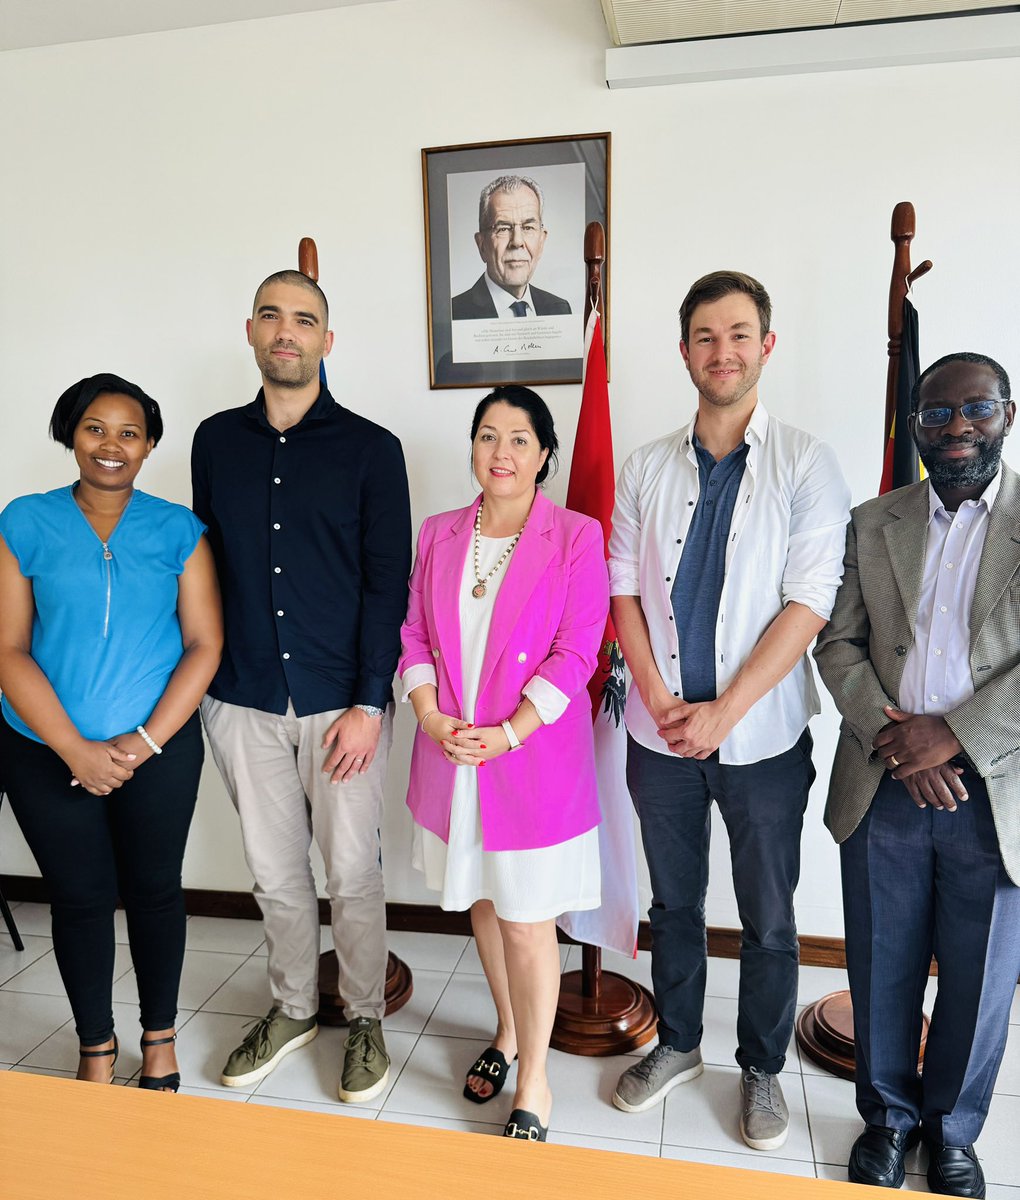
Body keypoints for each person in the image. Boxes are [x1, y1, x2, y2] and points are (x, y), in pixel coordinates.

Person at [608, 271, 850, 1150]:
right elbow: (622, 591)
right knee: (673, 906)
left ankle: (761, 1068)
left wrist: (723, 711)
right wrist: (665, 700)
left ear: (766, 347)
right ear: (684, 352)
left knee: (769, 916)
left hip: (764, 738)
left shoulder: (806, 462)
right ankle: (675, 1045)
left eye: (740, 335)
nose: (723, 352)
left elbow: (809, 602)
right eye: (706, 337)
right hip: (658, 732)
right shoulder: (644, 465)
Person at [192, 269, 411, 1104]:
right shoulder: (215, 441)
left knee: (351, 873)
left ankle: (362, 1020)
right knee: (276, 876)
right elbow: (206, 564)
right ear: (251, 330)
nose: (288, 332)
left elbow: (387, 584)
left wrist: (367, 703)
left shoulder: (370, 448)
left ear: (328, 339)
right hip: (242, 696)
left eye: (306, 319)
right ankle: (289, 1009)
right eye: (274, 317)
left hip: (340, 704)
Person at [815, 352, 1020, 1197]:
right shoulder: (872, 521)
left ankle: (955, 1131)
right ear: (914, 425)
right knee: (882, 961)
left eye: (977, 409)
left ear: (1009, 413)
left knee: (982, 978)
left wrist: (956, 737)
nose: (958, 428)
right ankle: (889, 1119)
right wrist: (898, 739)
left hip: (994, 790)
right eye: (938, 414)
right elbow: (838, 643)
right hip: (884, 782)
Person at [0, 374, 222, 1091]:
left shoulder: (179, 530)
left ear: (150, 445)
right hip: (42, 750)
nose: (112, 445)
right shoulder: (22, 522)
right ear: (70, 434)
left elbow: (204, 645)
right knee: (80, 897)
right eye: (95, 428)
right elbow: (8, 649)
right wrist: (74, 748)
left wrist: (145, 743)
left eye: (130, 432)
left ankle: (160, 1040)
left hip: (158, 749)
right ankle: (95, 1045)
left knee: (156, 889)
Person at [399, 385, 608, 1142]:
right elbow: (413, 634)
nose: (502, 452)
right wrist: (427, 715)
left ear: (545, 453)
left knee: (527, 920)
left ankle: (536, 1081)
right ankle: (508, 1030)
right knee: (485, 903)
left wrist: (511, 732)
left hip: (531, 760)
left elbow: (578, 649)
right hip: (452, 753)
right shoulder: (439, 531)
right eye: (488, 435)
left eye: (520, 438)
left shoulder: (576, 536)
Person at [452, 175, 572, 320]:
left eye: (528, 227)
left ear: (541, 242)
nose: (517, 241)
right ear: (482, 245)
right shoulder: (455, 313)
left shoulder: (559, 310)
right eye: (503, 228)